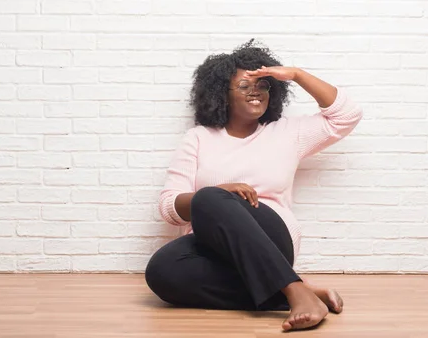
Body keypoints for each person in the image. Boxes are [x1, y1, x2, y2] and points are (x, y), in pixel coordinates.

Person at [145, 39, 363, 332]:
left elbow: (346, 115)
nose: (256, 92)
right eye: (245, 86)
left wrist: (297, 74)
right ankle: (296, 293)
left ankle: (296, 293)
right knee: (162, 271)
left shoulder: (287, 132)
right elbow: (169, 207)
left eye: (262, 85)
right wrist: (218, 195)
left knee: (210, 197)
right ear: (222, 93)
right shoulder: (198, 138)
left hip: (271, 235)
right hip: (212, 245)